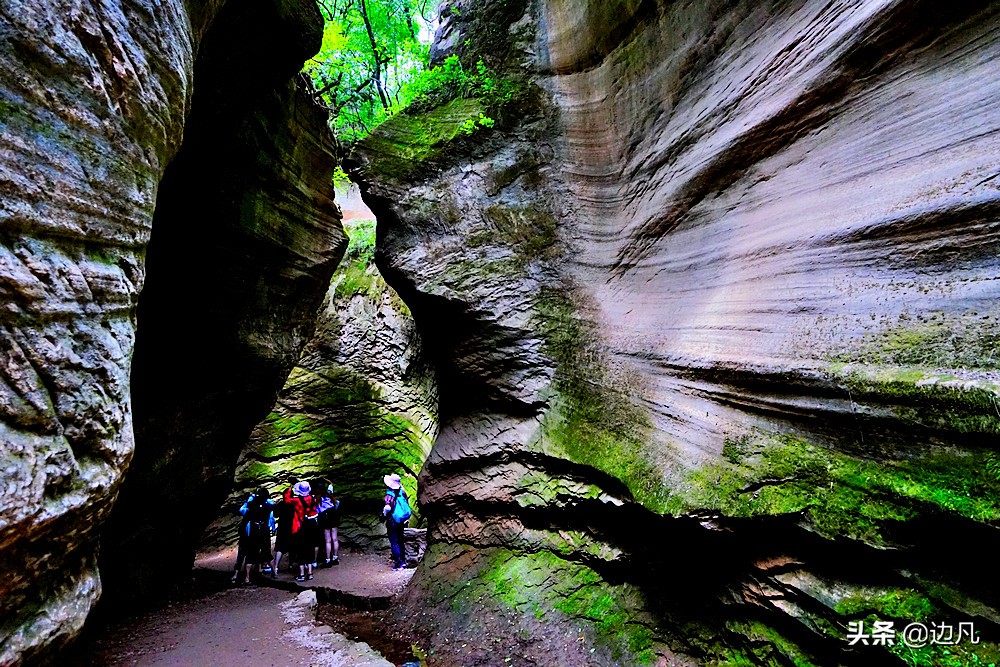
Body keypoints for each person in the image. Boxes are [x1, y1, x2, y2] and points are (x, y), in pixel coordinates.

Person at [238, 487, 276, 583]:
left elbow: (242, 510)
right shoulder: (268, 507)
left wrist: (251, 498)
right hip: (264, 531)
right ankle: (274, 572)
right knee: (267, 553)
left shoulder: (250, 506)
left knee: (251, 554)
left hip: (254, 531)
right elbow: (272, 507)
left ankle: (247, 578)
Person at [288, 480, 318, 582]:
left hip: (300, 526)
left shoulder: (296, 500)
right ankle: (309, 573)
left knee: (301, 550)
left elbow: (287, 500)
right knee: (309, 549)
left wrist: (290, 488)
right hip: (310, 525)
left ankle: (301, 574)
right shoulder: (312, 498)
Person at [381, 473, 411, 571]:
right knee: (401, 540)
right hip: (401, 520)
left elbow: (387, 508)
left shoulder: (390, 493)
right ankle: (403, 561)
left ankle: (398, 563)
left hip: (392, 520)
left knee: (394, 542)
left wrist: (383, 515)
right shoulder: (402, 492)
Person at [273, 480, 297, 572]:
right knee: (292, 548)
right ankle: (290, 565)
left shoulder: (280, 504)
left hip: (282, 528)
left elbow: (276, 515)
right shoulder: (294, 505)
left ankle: (275, 567)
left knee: (280, 548)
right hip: (292, 527)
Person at [316, 479, 341, 568]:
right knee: (335, 538)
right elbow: (331, 483)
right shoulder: (329, 493)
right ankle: (335, 557)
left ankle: (328, 560)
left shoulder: (318, 499)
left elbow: (317, 511)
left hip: (324, 517)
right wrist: (324, 479)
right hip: (333, 515)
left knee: (328, 540)